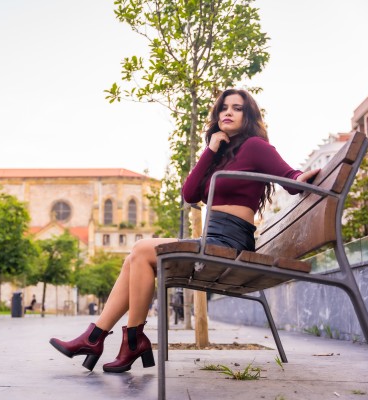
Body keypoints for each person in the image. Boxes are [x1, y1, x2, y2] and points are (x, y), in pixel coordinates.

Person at [49, 88, 320, 373]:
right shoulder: (220, 155)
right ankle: (101, 338)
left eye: (237, 108)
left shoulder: (255, 146)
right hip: (212, 238)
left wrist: (301, 176)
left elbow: (289, 177)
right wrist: (210, 150)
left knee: (141, 250)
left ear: (248, 116)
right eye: (223, 108)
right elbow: (190, 194)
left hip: (231, 240)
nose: (228, 112)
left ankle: (114, 340)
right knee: (135, 258)